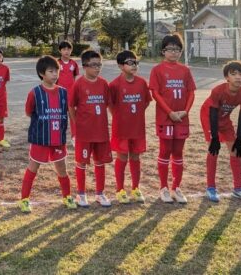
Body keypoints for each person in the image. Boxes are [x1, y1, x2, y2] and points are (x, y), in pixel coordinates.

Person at [18, 55, 76, 213]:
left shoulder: (64, 93)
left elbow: (70, 113)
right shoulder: (35, 93)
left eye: (57, 70)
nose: (55, 74)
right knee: (33, 168)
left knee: (62, 169)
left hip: (58, 139)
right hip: (40, 139)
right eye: (51, 71)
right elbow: (29, 112)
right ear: (42, 73)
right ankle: (24, 199)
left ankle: (67, 196)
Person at [149, 34, 196, 204]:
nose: (174, 52)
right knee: (165, 151)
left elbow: (191, 92)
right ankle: (163, 188)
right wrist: (169, 112)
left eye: (177, 49)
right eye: (170, 49)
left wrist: (185, 111)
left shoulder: (185, 70)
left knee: (178, 153)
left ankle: (176, 187)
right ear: (163, 51)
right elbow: (155, 93)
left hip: (182, 118)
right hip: (165, 118)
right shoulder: (157, 70)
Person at [200, 60, 241, 203]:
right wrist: (215, 137)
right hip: (208, 116)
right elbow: (212, 113)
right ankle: (210, 187)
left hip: (224, 119)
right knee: (214, 149)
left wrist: (239, 139)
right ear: (227, 77)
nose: (238, 77)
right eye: (233, 74)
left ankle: (238, 189)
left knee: (235, 151)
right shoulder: (218, 90)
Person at [68, 50, 112, 207]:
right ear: (85, 66)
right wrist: (77, 123)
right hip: (84, 133)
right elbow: (71, 106)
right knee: (81, 162)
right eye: (94, 65)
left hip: (101, 132)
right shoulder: (78, 84)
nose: (97, 68)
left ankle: (100, 193)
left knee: (100, 162)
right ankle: (81, 194)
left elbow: (107, 103)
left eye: (99, 65)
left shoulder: (104, 84)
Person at [108, 50, 152, 204]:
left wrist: (135, 115)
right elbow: (111, 105)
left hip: (137, 128)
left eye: (136, 62)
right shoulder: (114, 84)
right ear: (121, 65)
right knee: (122, 157)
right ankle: (120, 190)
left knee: (135, 156)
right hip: (121, 128)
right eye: (130, 62)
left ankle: (135, 188)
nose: (134, 65)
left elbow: (146, 102)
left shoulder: (141, 83)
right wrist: (121, 117)